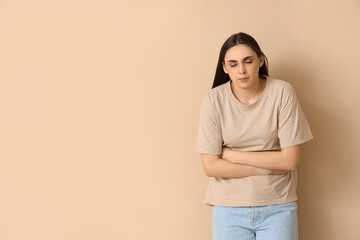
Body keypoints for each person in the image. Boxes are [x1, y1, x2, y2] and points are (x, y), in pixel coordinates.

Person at [195, 32, 314, 240]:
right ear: (224, 68)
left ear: (260, 60)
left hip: (279, 206)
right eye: (233, 64)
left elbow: (290, 160)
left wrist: (232, 155)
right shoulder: (214, 100)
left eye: (247, 61)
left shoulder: (282, 92)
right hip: (228, 209)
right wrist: (269, 167)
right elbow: (211, 167)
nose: (241, 70)